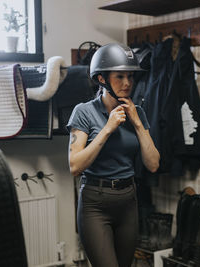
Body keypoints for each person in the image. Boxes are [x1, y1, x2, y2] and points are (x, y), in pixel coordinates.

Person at [67, 43, 160, 267]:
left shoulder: (137, 113)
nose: (127, 83)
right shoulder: (84, 112)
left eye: (130, 76)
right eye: (120, 76)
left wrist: (137, 123)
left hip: (128, 201)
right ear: (101, 79)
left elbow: (153, 164)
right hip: (95, 204)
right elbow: (74, 166)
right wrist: (108, 129)